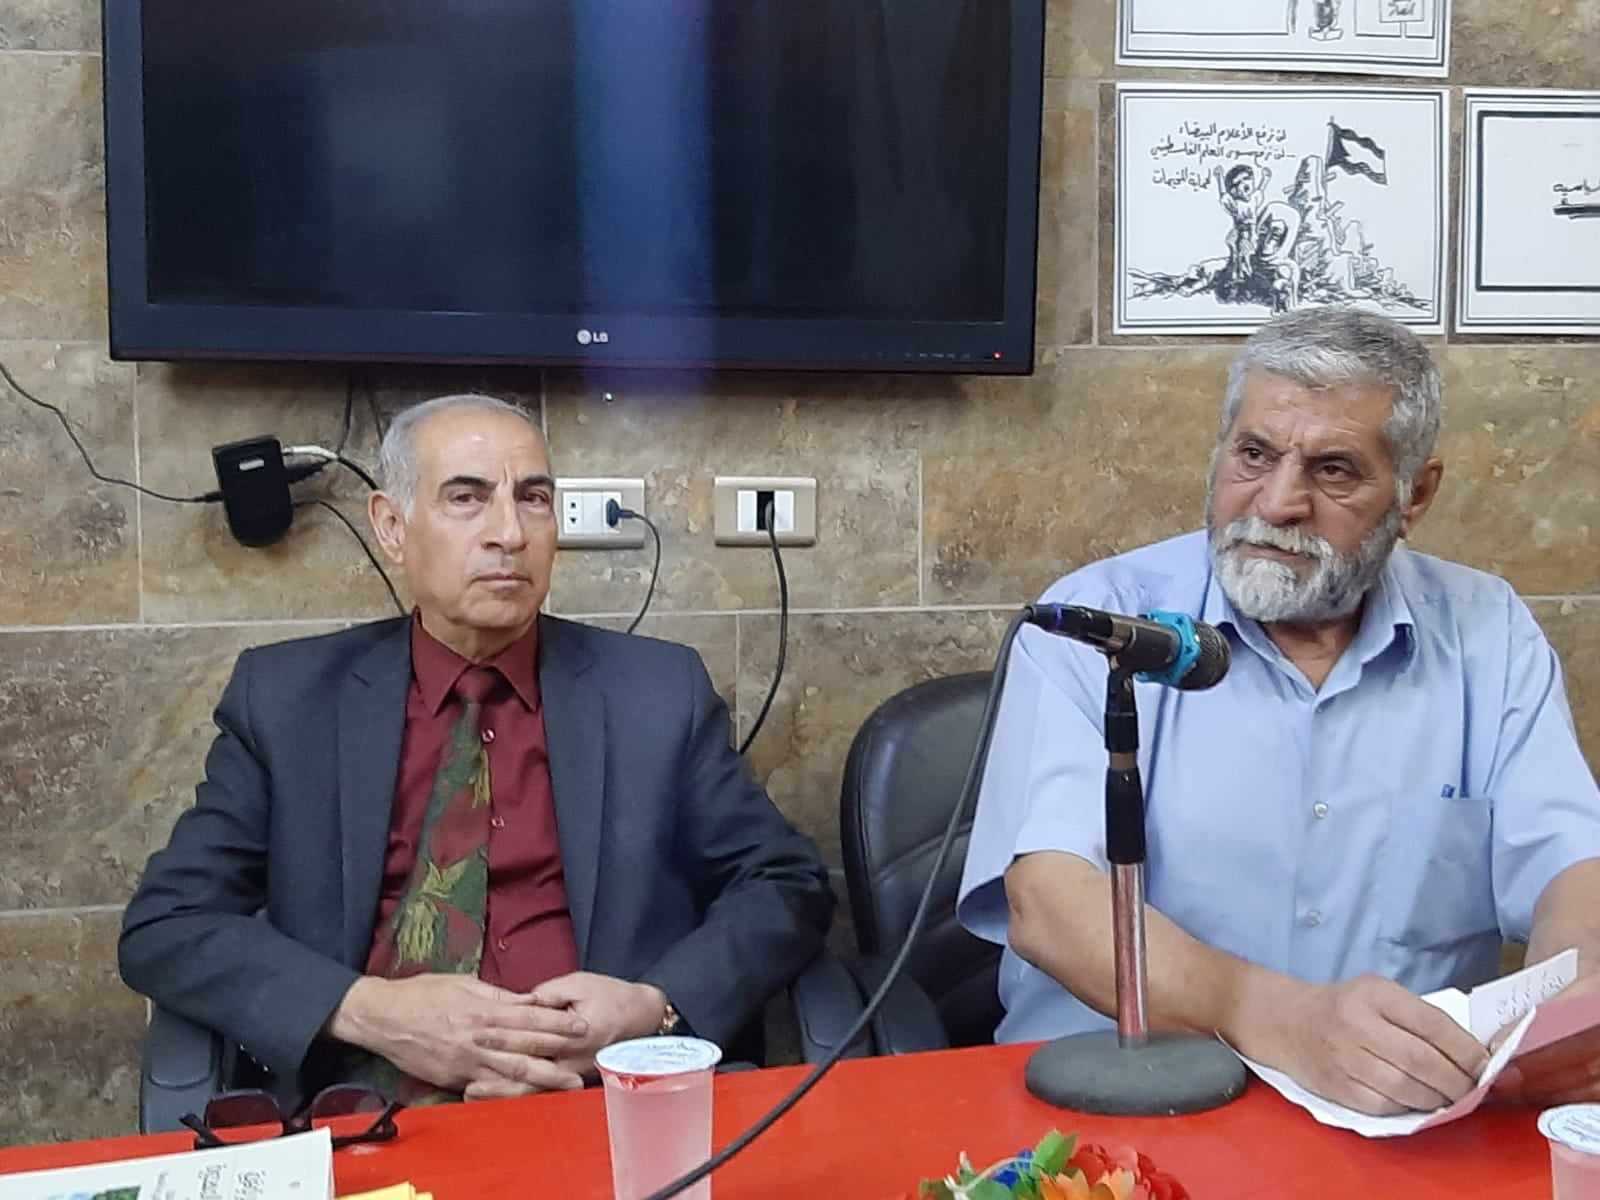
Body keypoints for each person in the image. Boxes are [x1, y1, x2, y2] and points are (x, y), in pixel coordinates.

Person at [958, 308, 1600, 1116]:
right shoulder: (1101, 624)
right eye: (1255, 454)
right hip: (1123, 1112)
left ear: (1416, 494)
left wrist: (1578, 1000)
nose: (1278, 501)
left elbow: (1574, 864)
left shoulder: (1487, 631)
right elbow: (1049, 903)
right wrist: (1280, 1021)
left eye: (1333, 470)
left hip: (1405, 1121)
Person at [121, 393, 834, 1105]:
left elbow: (785, 883)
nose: (510, 533)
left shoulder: (655, 692)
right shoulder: (288, 702)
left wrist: (654, 1006)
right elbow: (168, 923)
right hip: (372, 1112)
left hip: (610, 1101)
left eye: (533, 499)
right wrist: (370, 1010)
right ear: (392, 527)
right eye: (467, 498)